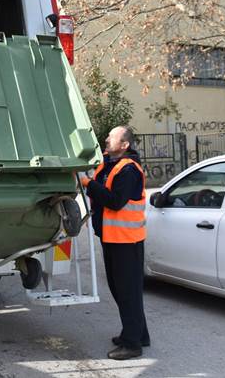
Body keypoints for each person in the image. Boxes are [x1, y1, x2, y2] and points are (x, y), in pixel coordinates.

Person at [81, 125, 150, 360]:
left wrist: (88, 184)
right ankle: (138, 334)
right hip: (113, 238)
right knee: (122, 289)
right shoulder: (109, 165)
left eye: (112, 137)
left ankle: (132, 345)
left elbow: (115, 201)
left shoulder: (128, 170)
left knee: (127, 291)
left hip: (125, 241)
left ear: (124, 145)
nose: (106, 139)